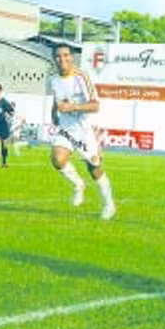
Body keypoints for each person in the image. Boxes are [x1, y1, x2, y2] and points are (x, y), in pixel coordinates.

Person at [50, 43, 116, 220]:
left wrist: (72, 107)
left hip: (84, 129)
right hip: (66, 127)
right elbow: (56, 100)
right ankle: (79, 184)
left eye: (65, 55)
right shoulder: (54, 79)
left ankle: (109, 204)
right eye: (58, 56)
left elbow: (95, 106)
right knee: (57, 159)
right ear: (54, 59)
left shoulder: (81, 77)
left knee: (94, 168)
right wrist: (54, 114)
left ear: (71, 57)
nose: (62, 59)